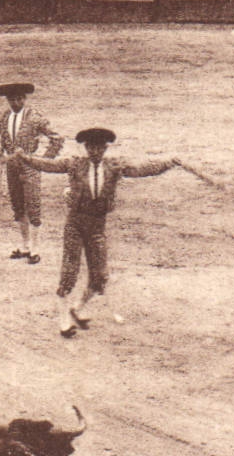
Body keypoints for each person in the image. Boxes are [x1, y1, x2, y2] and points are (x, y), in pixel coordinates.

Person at [16, 128, 180, 338]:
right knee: (69, 272)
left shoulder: (114, 167)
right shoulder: (74, 164)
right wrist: (24, 158)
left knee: (100, 276)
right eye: (90, 147)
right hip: (75, 224)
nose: (94, 151)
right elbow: (47, 165)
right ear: (86, 148)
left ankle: (77, 308)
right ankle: (64, 322)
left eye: (98, 147)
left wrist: (169, 163)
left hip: (97, 226)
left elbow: (143, 169)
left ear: (104, 148)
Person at [0, 82, 63, 265]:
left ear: (24, 99)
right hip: (12, 166)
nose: (16, 102)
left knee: (33, 205)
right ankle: (25, 245)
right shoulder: (2, 117)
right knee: (18, 205)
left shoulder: (34, 117)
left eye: (19, 99)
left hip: (30, 166)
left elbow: (56, 138)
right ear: (8, 100)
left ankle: (35, 248)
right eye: (12, 99)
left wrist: (43, 160)